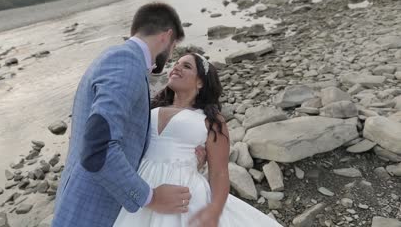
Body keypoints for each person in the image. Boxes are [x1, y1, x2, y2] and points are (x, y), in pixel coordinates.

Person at [52, 3, 206, 227]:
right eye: (174, 47)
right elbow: (99, 147)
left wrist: (189, 159)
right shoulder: (126, 63)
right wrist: (150, 197)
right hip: (90, 210)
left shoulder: (116, 57)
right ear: (167, 36)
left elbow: (124, 139)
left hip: (84, 204)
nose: (171, 54)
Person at [114, 53, 283, 227]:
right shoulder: (150, 107)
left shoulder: (210, 120)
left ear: (200, 82)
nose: (176, 67)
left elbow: (219, 172)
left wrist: (215, 211)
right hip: (143, 186)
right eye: (176, 63)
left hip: (183, 192)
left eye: (186, 66)